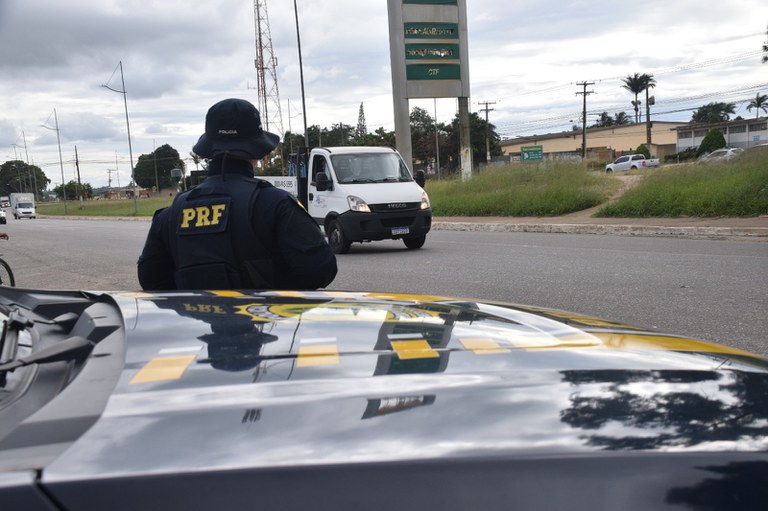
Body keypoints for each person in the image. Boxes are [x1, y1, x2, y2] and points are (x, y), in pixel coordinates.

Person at [137, 98, 337, 291]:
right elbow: (320, 270)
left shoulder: (171, 214)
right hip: (267, 324)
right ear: (256, 152)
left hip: (197, 324)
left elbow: (152, 281)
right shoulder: (276, 204)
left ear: (208, 149)